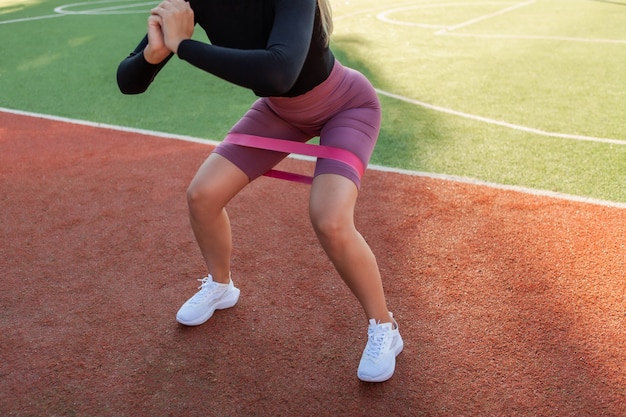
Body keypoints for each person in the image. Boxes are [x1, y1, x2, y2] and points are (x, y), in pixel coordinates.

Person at [117, 0, 403, 383]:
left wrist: (184, 46)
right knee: (202, 195)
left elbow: (278, 72)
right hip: (280, 112)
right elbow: (128, 81)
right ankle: (221, 286)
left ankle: (384, 327)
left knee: (330, 219)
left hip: (346, 106)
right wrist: (153, 54)